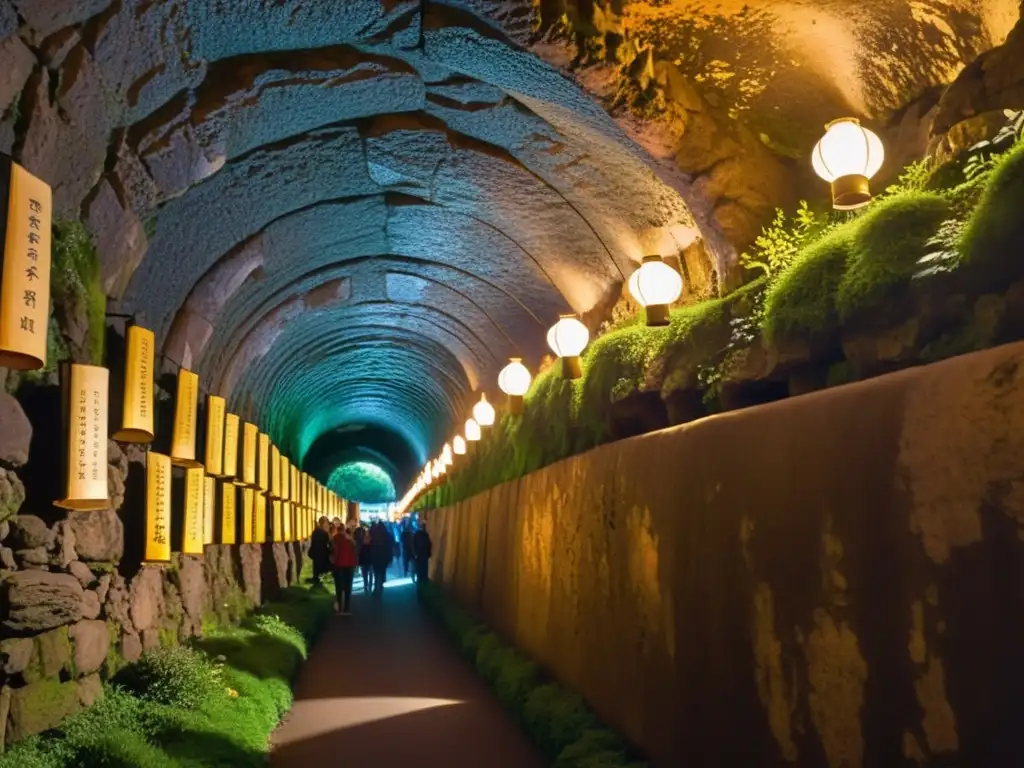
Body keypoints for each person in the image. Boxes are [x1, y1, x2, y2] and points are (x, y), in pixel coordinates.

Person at [331, 522, 358, 615]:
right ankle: (347, 608)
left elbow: (335, 552)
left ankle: (339, 608)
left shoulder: (335, 538)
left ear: (338, 530)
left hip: (339, 565)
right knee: (348, 587)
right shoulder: (351, 540)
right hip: (350, 565)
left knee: (339, 587)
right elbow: (354, 552)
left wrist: (333, 561)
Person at [370, 519, 392, 596]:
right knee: (382, 571)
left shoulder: (375, 535)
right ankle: (381, 584)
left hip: (376, 556)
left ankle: (376, 587)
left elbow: (371, 546)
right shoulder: (387, 535)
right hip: (383, 557)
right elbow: (390, 547)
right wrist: (389, 558)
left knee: (376, 573)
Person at [309, 516, 331, 586]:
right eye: (326, 523)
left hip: (316, 552)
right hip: (322, 552)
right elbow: (327, 542)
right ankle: (319, 579)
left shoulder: (315, 531)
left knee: (316, 566)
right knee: (321, 566)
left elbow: (313, 542)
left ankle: (316, 578)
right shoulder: (323, 532)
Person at [358, 527, 374, 593]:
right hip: (368, 560)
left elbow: (360, 552)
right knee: (368, 573)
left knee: (367, 573)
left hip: (367, 560)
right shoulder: (371, 540)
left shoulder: (362, 541)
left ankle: (367, 585)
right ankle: (367, 585)